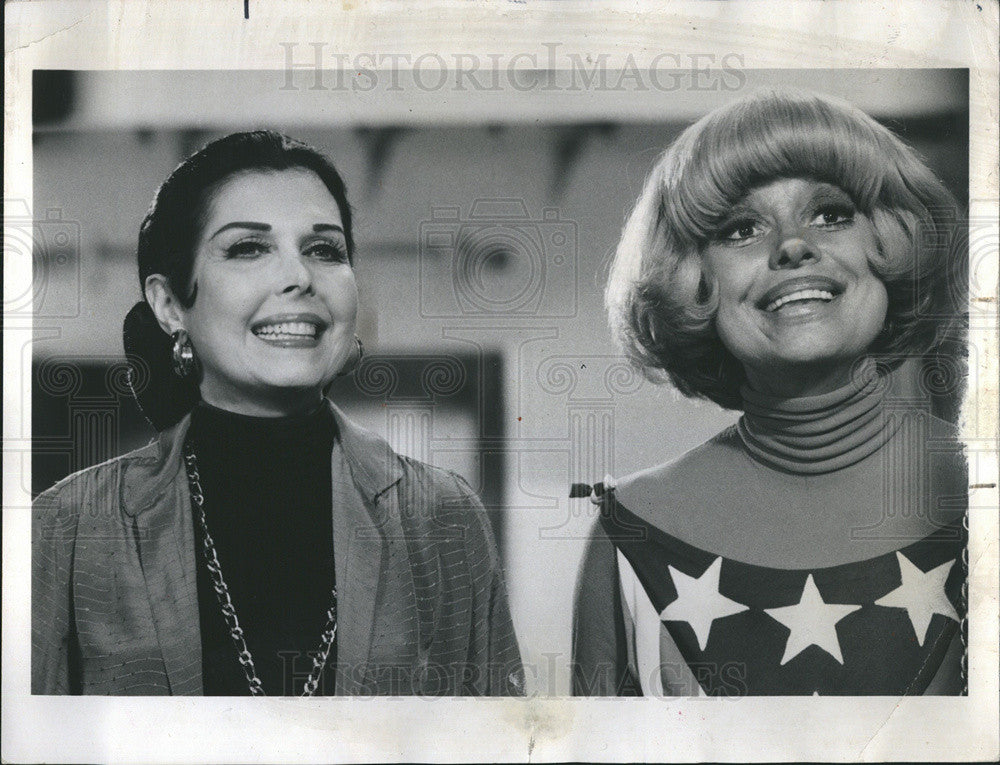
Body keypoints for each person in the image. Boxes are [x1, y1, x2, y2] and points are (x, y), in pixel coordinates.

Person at [32, 131, 525, 696]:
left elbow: (500, 744)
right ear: (170, 304)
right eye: (249, 248)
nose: (300, 277)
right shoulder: (68, 527)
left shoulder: (442, 518)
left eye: (324, 249)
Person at [572, 90, 968, 696]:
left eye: (831, 214)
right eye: (741, 228)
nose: (791, 246)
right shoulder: (631, 533)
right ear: (693, 280)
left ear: (891, 242)